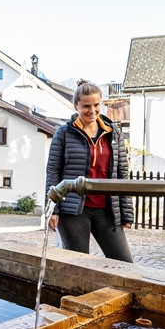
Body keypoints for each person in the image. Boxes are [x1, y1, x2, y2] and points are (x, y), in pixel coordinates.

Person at [46, 80, 134, 262]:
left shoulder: (113, 133)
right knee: (80, 265)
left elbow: (122, 174)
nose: (92, 110)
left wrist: (126, 212)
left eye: (96, 105)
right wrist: (53, 210)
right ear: (76, 105)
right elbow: (53, 172)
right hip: (74, 211)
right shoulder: (63, 133)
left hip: (107, 209)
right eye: (86, 106)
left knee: (124, 264)